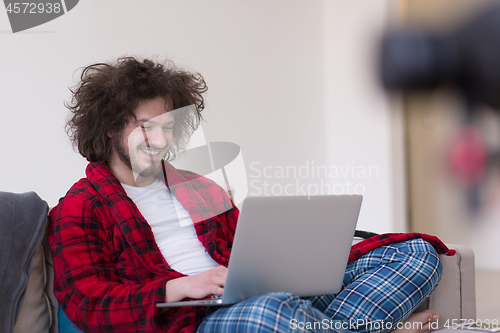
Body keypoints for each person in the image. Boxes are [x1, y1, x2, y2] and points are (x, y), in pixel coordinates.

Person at [49, 57, 445, 333]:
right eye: (145, 126)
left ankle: (319, 324)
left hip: (259, 294)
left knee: (414, 253)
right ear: (109, 129)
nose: (160, 139)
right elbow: (87, 303)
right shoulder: (80, 207)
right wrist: (179, 287)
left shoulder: (200, 188)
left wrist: (298, 258)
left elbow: (252, 251)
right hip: (196, 318)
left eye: (168, 126)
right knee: (269, 315)